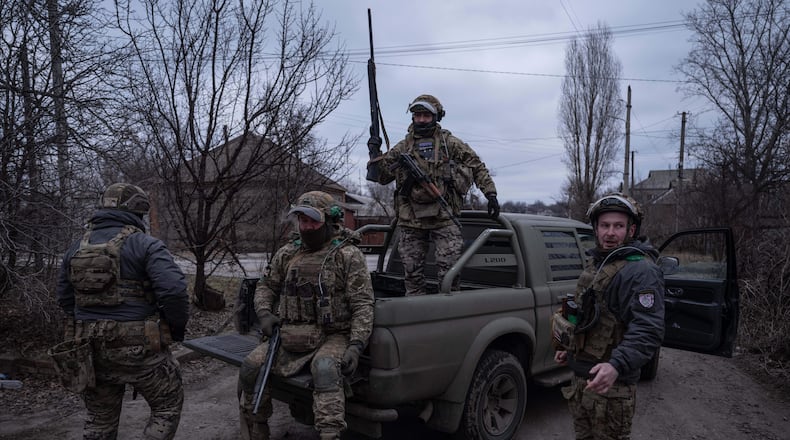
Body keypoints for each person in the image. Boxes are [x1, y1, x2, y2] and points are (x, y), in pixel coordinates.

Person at [54, 182, 189, 440]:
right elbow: (173, 292)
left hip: (90, 350)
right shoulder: (146, 244)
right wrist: (175, 329)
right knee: (167, 406)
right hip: (141, 352)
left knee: (98, 420)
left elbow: (64, 298)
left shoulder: (75, 248)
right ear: (139, 212)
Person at [237, 191, 374, 440]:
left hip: (332, 335)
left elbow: (363, 303)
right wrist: (265, 314)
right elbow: (267, 286)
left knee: (325, 369)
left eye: (313, 221)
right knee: (250, 368)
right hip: (289, 334)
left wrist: (356, 344)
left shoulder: (347, 255)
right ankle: (257, 427)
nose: (307, 227)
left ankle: (329, 434)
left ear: (329, 221)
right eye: (302, 221)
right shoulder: (288, 253)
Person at [553, 193, 665, 439]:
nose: (610, 233)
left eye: (618, 226)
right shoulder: (599, 263)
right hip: (582, 381)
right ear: (596, 228)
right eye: (605, 226)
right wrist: (570, 348)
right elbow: (589, 314)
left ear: (631, 230)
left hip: (613, 389)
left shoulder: (641, 271)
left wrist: (617, 365)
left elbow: (648, 329)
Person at [367, 94, 499, 295]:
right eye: (417, 115)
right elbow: (383, 177)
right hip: (410, 221)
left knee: (449, 275)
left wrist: (490, 193)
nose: (420, 119)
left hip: (444, 218)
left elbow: (476, 165)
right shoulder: (403, 147)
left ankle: (449, 315)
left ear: (436, 116)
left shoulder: (449, 143)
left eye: (426, 115)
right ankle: (418, 315)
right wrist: (374, 154)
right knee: (411, 275)